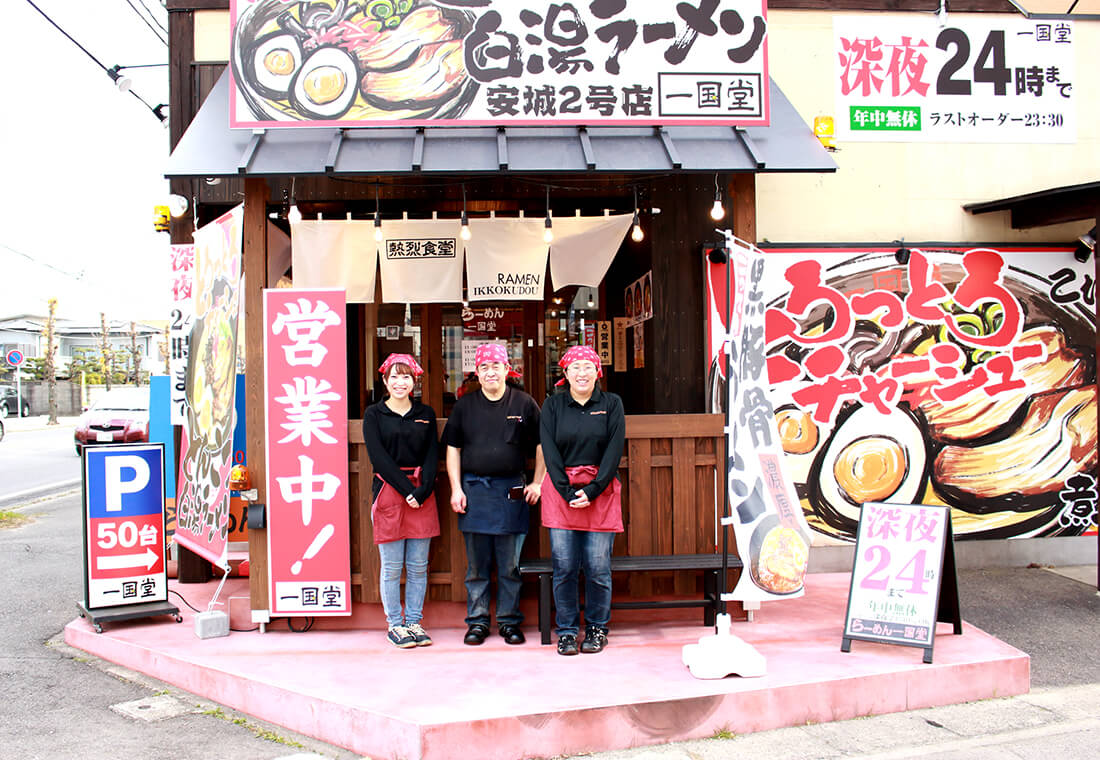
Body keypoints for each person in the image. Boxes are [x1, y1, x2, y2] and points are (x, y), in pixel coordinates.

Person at [444, 343, 544, 646]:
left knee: (510, 563)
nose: (490, 372)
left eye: (496, 366)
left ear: (506, 369)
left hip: (513, 487)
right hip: (474, 489)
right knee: (477, 565)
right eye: (484, 367)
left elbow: (542, 446)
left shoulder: (524, 403)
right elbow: (453, 449)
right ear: (477, 372)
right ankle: (477, 622)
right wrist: (456, 488)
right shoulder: (464, 406)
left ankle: (509, 621)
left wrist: (537, 482)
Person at [539, 345, 625, 656]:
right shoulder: (552, 406)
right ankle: (566, 631)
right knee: (564, 567)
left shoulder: (612, 404)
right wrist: (565, 491)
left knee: (598, 567)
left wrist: (593, 490)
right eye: (575, 368)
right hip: (562, 494)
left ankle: (598, 628)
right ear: (565, 374)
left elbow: (614, 450)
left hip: (599, 493)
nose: (582, 373)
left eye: (588, 367)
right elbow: (549, 451)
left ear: (597, 372)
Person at [362, 354, 440, 649]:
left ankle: (414, 622)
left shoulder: (426, 413)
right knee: (392, 566)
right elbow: (378, 457)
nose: (399, 382)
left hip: (423, 494)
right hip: (389, 491)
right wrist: (407, 489)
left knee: (419, 565)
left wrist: (424, 489)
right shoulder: (374, 414)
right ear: (384, 380)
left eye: (406, 376)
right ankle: (395, 623)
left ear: (414, 381)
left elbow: (432, 453)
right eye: (394, 376)